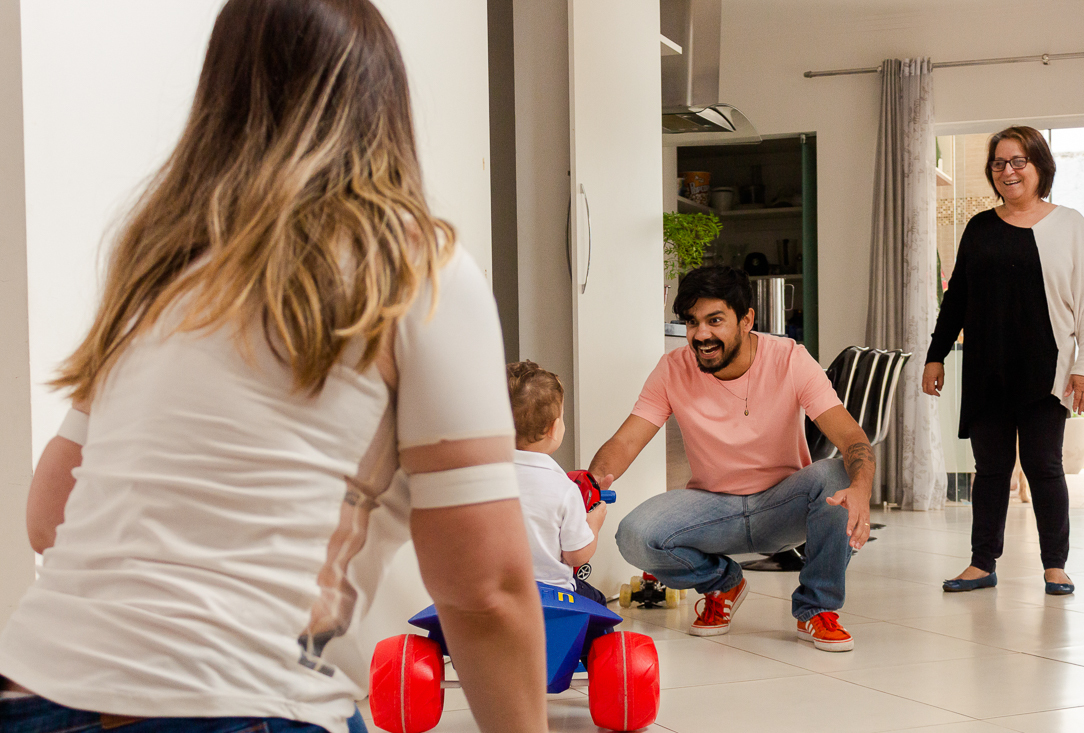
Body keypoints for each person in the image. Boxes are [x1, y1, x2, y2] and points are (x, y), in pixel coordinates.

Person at [0, 2, 549, 732]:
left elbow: (50, 512)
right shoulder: (413, 266)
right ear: (382, 103)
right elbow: (487, 588)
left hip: (30, 688)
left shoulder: (161, 271)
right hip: (240, 701)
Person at [590, 266, 875, 652]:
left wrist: (860, 488)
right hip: (713, 508)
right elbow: (625, 442)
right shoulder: (672, 369)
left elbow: (852, 438)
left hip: (783, 504)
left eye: (715, 320)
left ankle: (816, 609)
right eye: (692, 322)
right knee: (635, 535)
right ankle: (724, 585)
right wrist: (588, 486)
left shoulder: (790, 359)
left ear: (746, 321)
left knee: (838, 474)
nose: (701, 335)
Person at [923, 125, 1084, 597]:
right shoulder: (980, 227)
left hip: (1046, 368)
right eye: (999, 163)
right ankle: (982, 563)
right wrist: (935, 355)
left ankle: (1055, 565)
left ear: (1040, 164)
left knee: (1044, 466)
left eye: (1018, 161)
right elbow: (956, 297)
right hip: (987, 368)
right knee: (991, 469)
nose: (1008, 171)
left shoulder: (1071, 224)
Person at [507, 360, 608, 604]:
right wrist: (593, 523)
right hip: (552, 597)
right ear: (554, 428)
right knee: (598, 602)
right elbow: (576, 557)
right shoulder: (563, 488)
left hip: (492, 595)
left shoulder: (482, 478)